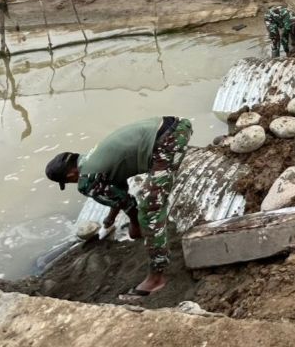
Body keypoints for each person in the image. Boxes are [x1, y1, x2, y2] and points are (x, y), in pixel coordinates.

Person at [45, 116, 192, 299]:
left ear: (70, 174)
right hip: (173, 126)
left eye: (68, 181)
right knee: (151, 198)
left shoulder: (86, 180)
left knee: (149, 208)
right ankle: (155, 250)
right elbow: (118, 190)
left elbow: (128, 203)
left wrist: (135, 224)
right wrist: (111, 218)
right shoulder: (93, 157)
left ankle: (156, 278)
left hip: (166, 140)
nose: (73, 183)